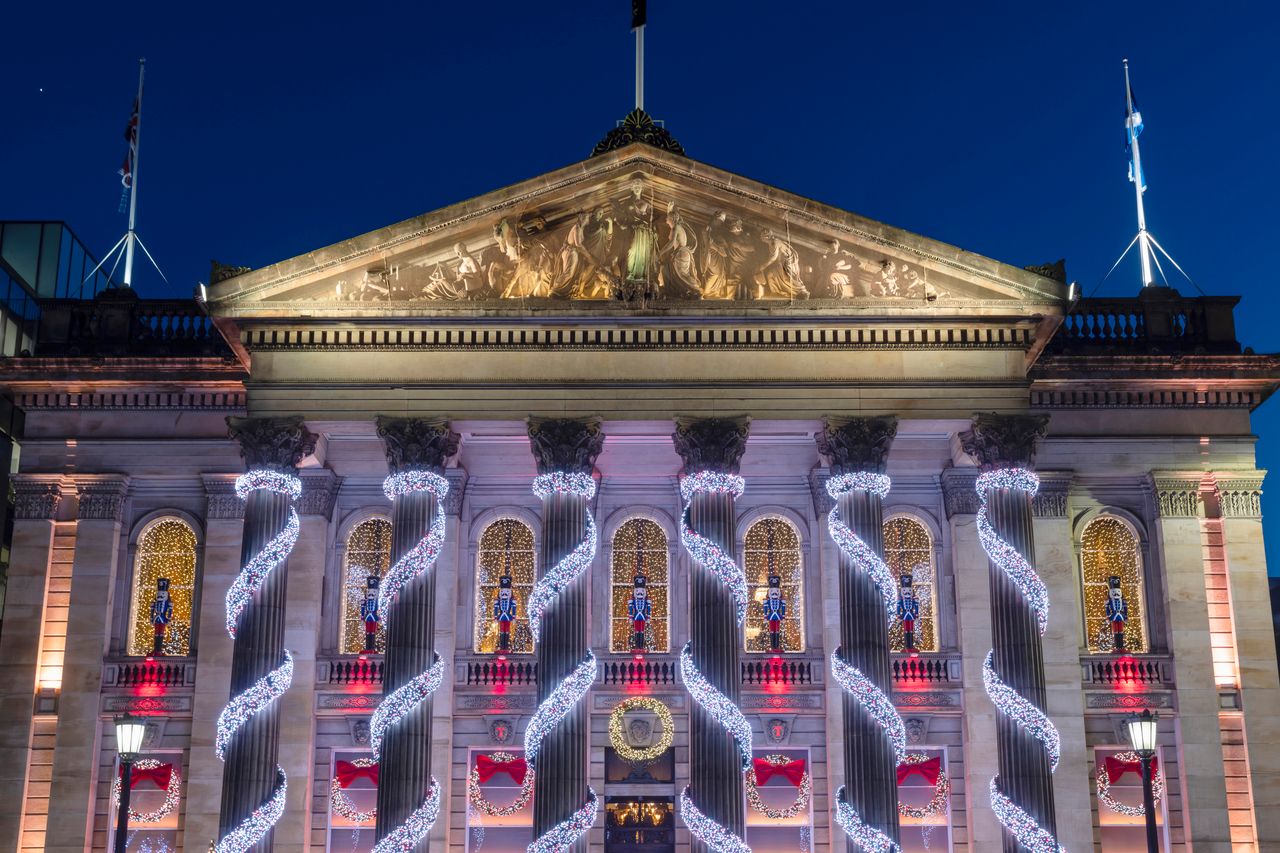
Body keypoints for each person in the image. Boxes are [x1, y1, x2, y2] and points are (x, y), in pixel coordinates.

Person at [494, 574, 518, 654]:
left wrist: (514, 617)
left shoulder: (512, 600)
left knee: (507, 631)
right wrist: (495, 617)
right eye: (502, 592)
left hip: (507, 616)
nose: (504, 593)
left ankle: (506, 646)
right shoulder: (498, 600)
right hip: (501, 616)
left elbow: (513, 608)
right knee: (501, 631)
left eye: (507, 592)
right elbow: (496, 608)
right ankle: (502, 646)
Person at [628, 573, 652, 652]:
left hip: (642, 617)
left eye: (642, 591)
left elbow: (648, 609)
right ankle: (637, 646)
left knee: (642, 631)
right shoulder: (633, 600)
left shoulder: (646, 600)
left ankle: (641, 646)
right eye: (638, 591)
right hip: (636, 616)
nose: (640, 593)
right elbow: (631, 609)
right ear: (635, 591)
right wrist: (630, 617)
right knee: (636, 631)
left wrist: (648, 617)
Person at [763, 574, 787, 652]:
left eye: (776, 591)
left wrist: (783, 616)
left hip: (777, 616)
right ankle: (773, 646)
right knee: (771, 630)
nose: (774, 593)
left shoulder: (781, 601)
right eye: (772, 592)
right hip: (771, 616)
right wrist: (765, 616)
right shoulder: (767, 601)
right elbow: (766, 609)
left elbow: (783, 608)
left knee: (777, 630)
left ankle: (776, 646)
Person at [897, 574, 920, 656]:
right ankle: (907, 646)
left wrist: (916, 614)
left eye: (909, 590)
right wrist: (899, 615)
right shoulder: (900, 600)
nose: (907, 592)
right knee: (906, 630)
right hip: (905, 615)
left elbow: (916, 607)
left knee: (911, 630)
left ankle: (911, 646)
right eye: (905, 591)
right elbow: (898, 607)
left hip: (911, 615)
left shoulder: (913, 600)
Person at [149, 577, 173, 656]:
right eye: (159, 594)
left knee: (161, 633)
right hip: (157, 619)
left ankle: (159, 649)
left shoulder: (167, 602)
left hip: (162, 618)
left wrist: (169, 619)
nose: (160, 595)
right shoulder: (155, 602)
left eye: (162, 594)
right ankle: (155, 649)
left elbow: (169, 611)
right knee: (156, 633)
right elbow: (152, 610)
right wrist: (151, 618)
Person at [1105, 575, 1129, 653]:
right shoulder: (1109, 601)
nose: (1116, 594)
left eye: (1118, 592)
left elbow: (1125, 609)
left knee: (1121, 631)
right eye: (1114, 592)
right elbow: (1107, 609)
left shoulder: (1123, 601)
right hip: (1114, 616)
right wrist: (1108, 616)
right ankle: (1117, 646)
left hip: (1121, 616)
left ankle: (1121, 646)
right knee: (1115, 631)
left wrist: (1125, 616)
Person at [359, 576, 380, 654]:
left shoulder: (377, 601)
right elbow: (363, 610)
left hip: (374, 617)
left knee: (373, 632)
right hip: (367, 618)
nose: (370, 594)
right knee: (367, 632)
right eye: (369, 592)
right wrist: (362, 618)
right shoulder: (365, 601)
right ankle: (367, 647)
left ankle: (372, 647)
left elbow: (378, 609)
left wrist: (379, 618)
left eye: (373, 592)